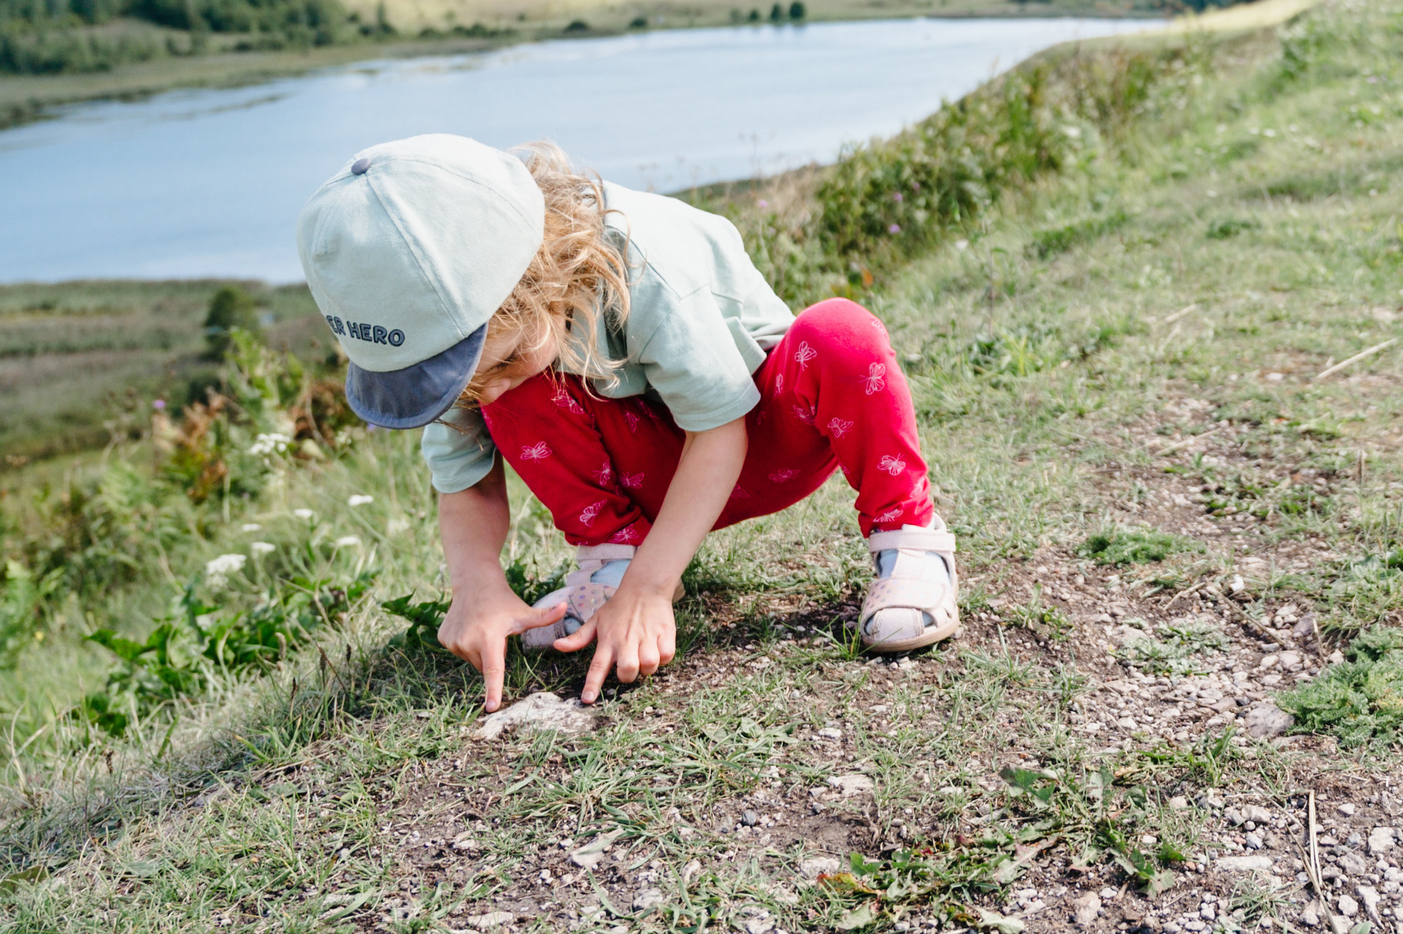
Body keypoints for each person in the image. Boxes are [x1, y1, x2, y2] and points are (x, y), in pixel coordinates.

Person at [296, 135, 963, 712]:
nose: (485, 392)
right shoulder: (478, 346)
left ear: (537, 276)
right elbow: (462, 476)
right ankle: (612, 558)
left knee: (841, 332)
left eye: (493, 362)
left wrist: (654, 590)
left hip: (756, 437)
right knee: (520, 387)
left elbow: (720, 427)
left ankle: (908, 541)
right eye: (463, 386)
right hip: (647, 470)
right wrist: (476, 587)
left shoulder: (648, 261)